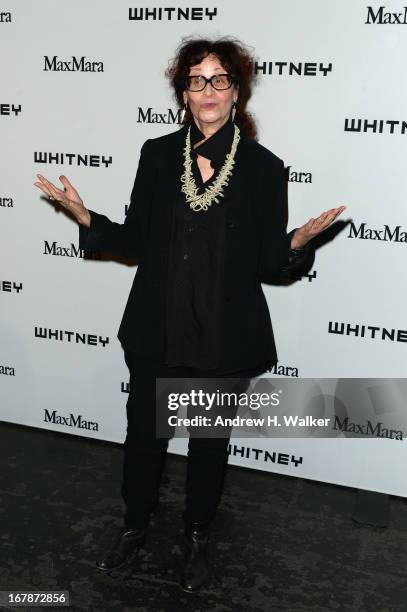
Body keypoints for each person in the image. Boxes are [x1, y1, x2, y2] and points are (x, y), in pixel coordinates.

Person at [34, 37, 345, 592]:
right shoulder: (156, 154)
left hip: (222, 335)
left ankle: (198, 535)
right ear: (183, 92)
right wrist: (87, 217)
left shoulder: (263, 168)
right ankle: (134, 526)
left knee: (208, 445)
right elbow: (137, 241)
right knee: (144, 439)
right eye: (196, 79)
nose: (208, 89)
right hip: (159, 326)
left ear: (237, 92)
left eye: (219, 79)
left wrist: (297, 240)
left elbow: (272, 264)